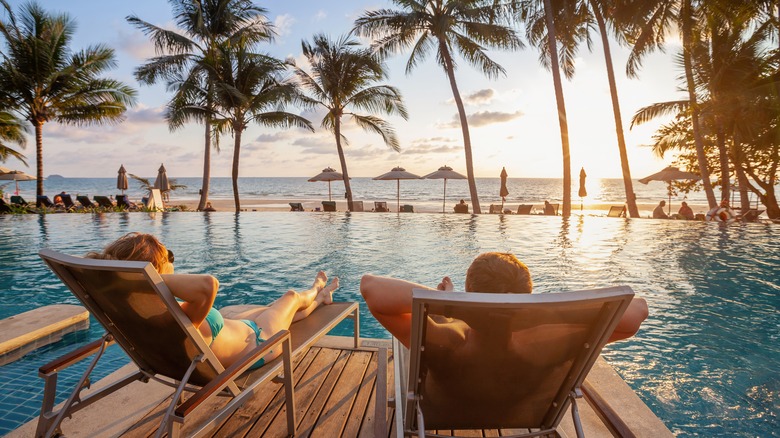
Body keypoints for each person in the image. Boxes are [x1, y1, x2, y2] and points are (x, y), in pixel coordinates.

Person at [86, 232, 338, 369]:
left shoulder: (134, 311)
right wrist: (151, 278)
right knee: (291, 298)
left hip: (243, 331)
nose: (172, 263)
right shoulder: (175, 315)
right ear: (156, 272)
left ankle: (320, 298)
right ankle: (317, 287)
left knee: (286, 312)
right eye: (168, 259)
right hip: (260, 342)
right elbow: (209, 284)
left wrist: (134, 282)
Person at [360, 252, 649, 348]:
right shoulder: (550, 342)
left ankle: (451, 309)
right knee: (449, 322)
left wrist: (455, 303)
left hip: (445, 408)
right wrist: (534, 311)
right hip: (527, 414)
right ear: (529, 294)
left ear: (469, 294)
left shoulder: (447, 343)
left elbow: (371, 287)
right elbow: (637, 311)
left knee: (441, 322)